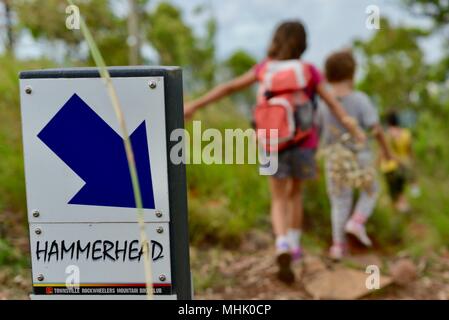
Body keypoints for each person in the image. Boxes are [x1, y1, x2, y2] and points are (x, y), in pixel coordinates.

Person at [184, 21, 365, 283]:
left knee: (278, 197)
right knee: (295, 194)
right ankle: (295, 245)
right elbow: (333, 105)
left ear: (276, 40)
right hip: (303, 143)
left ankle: (280, 244)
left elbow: (229, 87)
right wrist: (355, 129)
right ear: (303, 43)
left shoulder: (264, 69)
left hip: (270, 142)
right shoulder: (309, 71)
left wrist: (195, 105)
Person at [318, 50, 392, 261]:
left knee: (339, 202)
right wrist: (387, 153)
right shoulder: (360, 99)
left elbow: (318, 132)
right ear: (352, 73)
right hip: (360, 155)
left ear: (328, 75)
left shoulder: (324, 103)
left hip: (334, 157)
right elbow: (376, 130)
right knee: (371, 190)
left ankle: (338, 247)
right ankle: (357, 222)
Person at [381, 110, 416, 213]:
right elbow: (410, 151)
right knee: (400, 191)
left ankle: (397, 215)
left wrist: (377, 163)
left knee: (393, 194)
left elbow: (383, 152)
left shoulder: (387, 134)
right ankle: (402, 211)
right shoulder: (406, 134)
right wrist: (411, 165)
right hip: (402, 167)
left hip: (388, 167)